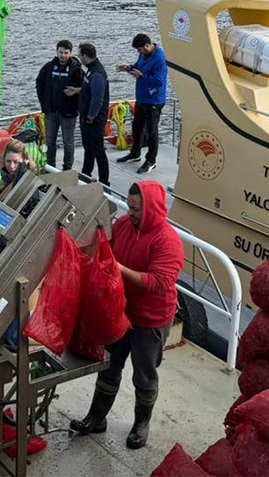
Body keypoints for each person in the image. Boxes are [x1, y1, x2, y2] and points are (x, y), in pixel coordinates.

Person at [70, 181, 184, 450]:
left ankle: (140, 426)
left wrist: (118, 268)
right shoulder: (122, 225)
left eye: (136, 209)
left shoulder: (168, 242)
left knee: (144, 375)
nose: (129, 213)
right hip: (120, 311)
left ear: (152, 209)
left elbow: (158, 281)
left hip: (150, 320)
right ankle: (96, 418)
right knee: (109, 365)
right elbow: (106, 246)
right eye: (129, 207)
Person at [116, 33, 169, 174]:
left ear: (147, 46)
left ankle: (151, 160)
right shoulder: (143, 55)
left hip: (154, 101)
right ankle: (135, 153)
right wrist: (128, 68)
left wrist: (142, 76)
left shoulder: (160, 59)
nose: (138, 52)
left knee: (151, 131)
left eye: (139, 50)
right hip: (142, 98)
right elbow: (138, 66)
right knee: (137, 127)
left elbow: (159, 81)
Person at [35, 39, 83, 171]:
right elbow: (39, 82)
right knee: (50, 141)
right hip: (51, 112)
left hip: (68, 113)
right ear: (57, 52)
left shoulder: (77, 70)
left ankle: (67, 168)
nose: (63, 55)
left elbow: (84, 89)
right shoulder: (49, 67)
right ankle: (51, 167)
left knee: (68, 143)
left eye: (66, 53)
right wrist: (43, 102)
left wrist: (76, 104)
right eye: (60, 52)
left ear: (71, 53)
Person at [75, 42, 111, 186]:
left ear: (85, 56)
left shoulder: (96, 73)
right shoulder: (90, 69)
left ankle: (104, 181)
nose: (78, 57)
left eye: (79, 55)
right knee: (88, 148)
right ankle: (86, 173)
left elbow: (98, 98)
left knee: (98, 150)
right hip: (86, 119)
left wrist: (91, 116)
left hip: (94, 120)